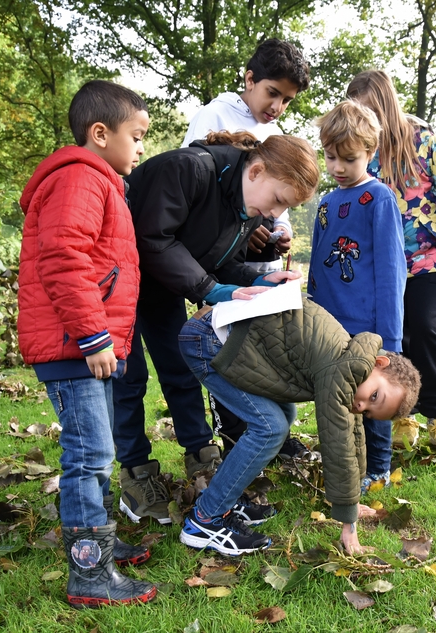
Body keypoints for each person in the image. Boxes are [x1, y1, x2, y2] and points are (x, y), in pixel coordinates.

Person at [114, 130, 320, 525]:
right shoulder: (187, 170)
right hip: (119, 283)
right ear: (256, 171)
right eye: (278, 200)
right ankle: (136, 472)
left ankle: (201, 457)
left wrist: (257, 281)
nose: (275, 213)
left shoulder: (247, 205)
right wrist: (210, 290)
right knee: (128, 377)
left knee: (180, 370)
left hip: (163, 288)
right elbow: (154, 239)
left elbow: (217, 263)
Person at [17, 80, 156, 608]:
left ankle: (97, 538)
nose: (141, 147)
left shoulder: (102, 182)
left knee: (98, 450)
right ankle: (90, 573)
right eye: (136, 136)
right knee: (89, 453)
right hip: (75, 345)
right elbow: (62, 258)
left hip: (89, 346)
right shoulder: (79, 177)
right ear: (101, 133)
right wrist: (94, 336)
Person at [178, 297, 421, 555]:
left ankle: (227, 498)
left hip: (224, 335)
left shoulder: (354, 361)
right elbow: (338, 447)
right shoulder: (341, 371)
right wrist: (348, 523)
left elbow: (354, 434)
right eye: (374, 396)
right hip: (209, 341)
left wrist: (352, 501)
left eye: (369, 411)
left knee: (285, 412)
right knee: (270, 429)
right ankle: (205, 519)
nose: (361, 406)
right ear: (379, 364)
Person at [177, 38, 310, 461]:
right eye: (273, 93)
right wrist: (241, 229)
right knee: (223, 346)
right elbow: (200, 192)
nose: (277, 107)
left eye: (287, 100)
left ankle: (272, 430)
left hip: (258, 263)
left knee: (261, 346)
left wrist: (280, 229)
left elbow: (280, 197)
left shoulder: (275, 134)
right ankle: (236, 433)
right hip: (217, 261)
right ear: (249, 79)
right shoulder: (213, 116)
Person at [346, 69, 436, 453]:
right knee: (392, 339)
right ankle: (404, 416)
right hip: (381, 267)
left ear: (384, 103)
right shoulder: (363, 153)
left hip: (427, 260)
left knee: (424, 329)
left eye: (368, 111)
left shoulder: (424, 141)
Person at [309, 100, 406, 493]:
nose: (337, 167)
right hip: (328, 324)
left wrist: (390, 337)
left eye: (349, 159)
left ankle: (378, 467)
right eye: (330, 157)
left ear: (370, 152)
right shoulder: (326, 202)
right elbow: (317, 265)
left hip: (369, 328)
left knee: (372, 398)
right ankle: (346, 463)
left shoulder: (379, 198)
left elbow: (391, 270)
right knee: (339, 399)